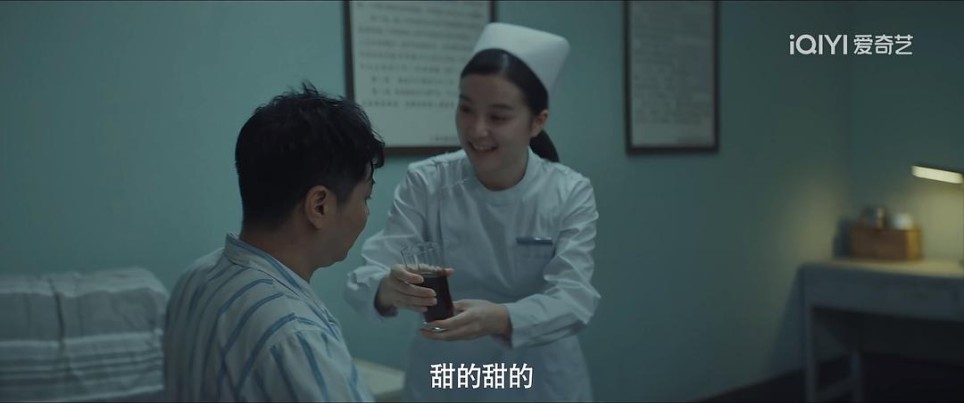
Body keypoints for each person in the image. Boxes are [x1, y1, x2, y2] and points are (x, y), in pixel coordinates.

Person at [344, 22, 600, 401]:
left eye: (498, 117)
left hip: (537, 376)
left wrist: (502, 318)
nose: (476, 130)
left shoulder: (568, 191)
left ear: (538, 121)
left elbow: (575, 297)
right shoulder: (427, 182)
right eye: (466, 109)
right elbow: (368, 275)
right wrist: (388, 288)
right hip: (450, 374)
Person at [164, 82, 384, 401]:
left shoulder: (194, 279)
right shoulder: (295, 335)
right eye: (366, 197)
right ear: (319, 206)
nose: (366, 212)